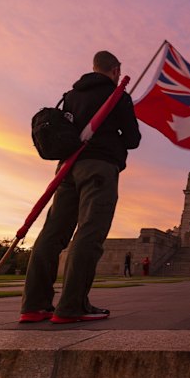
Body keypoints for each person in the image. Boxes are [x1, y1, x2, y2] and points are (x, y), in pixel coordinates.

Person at [19, 51, 141, 324]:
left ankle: (34, 305)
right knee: (90, 232)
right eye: (118, 72)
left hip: (66, 169)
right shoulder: (117, 95)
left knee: (52, 234)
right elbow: (133, 139)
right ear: (115, 70)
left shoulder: (70, 96)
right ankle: (72, 306)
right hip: (99, 167)